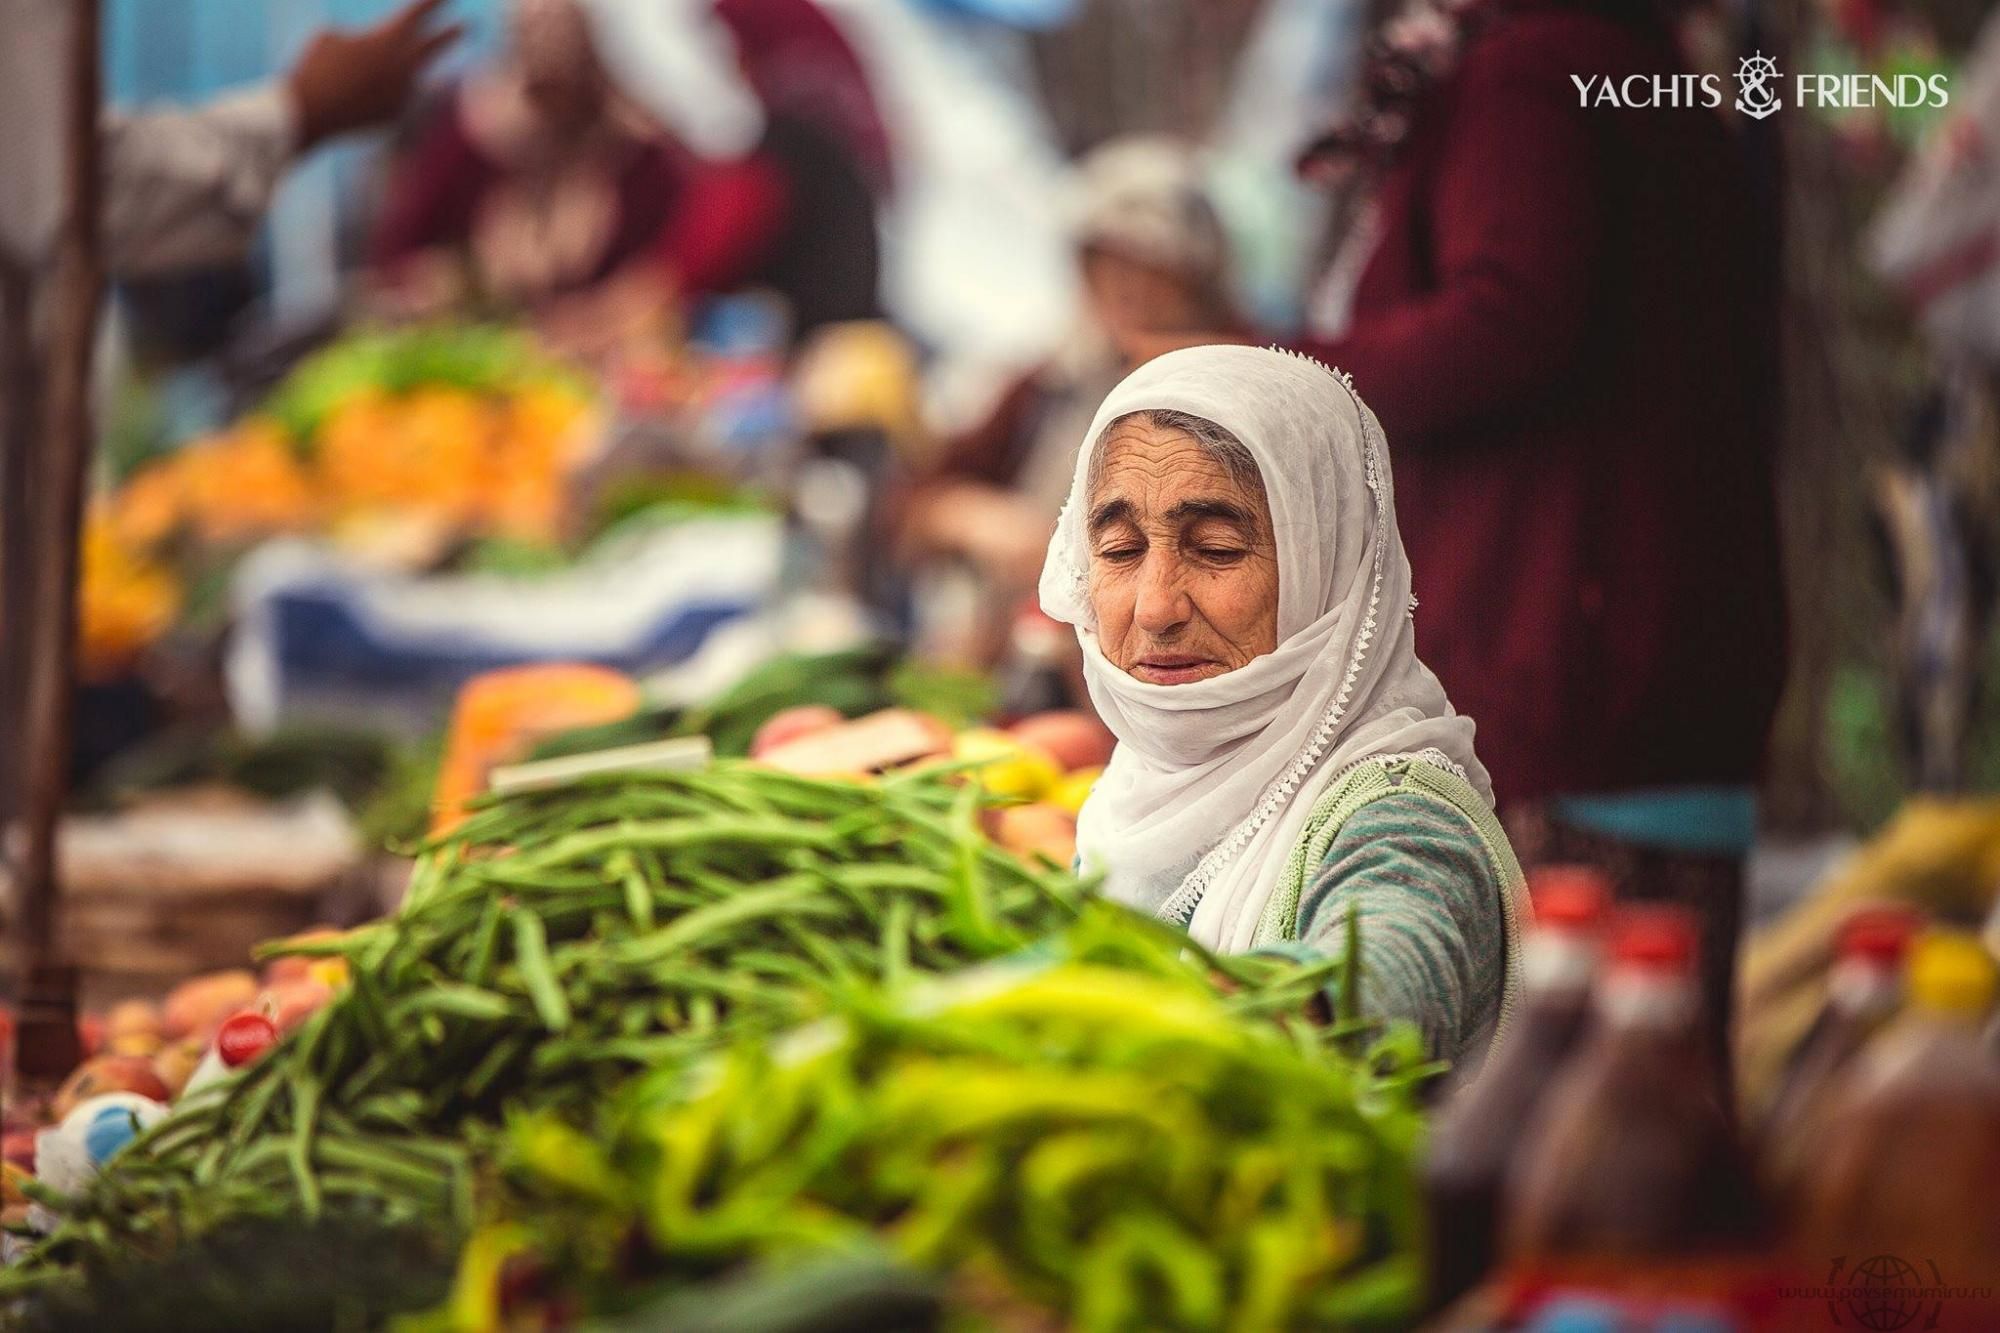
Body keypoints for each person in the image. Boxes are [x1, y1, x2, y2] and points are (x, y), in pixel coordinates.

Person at [1275, 0, 1785, 1070]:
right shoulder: (1629, 61)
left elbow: (1508, 319)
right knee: (1647, 1104)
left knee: (1563, 1117)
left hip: (1569, 654)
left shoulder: (1532, 72)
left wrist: (1270, 378)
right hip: (1652, 649)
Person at [1041, 344, 1531, 1063]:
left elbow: (1387, 974)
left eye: (1215, 548)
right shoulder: (1128, 800)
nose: (1154, 607)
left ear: (1328, 566)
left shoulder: (1406, 822)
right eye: (1119, 550)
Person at [903, 137, 1239, 603]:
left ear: (1194, 274)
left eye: (1150, 265)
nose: (1128, 286)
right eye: (1109, 262)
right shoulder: (1057, 377)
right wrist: (976, 517)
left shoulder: (1240, 386)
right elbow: (918, 499)